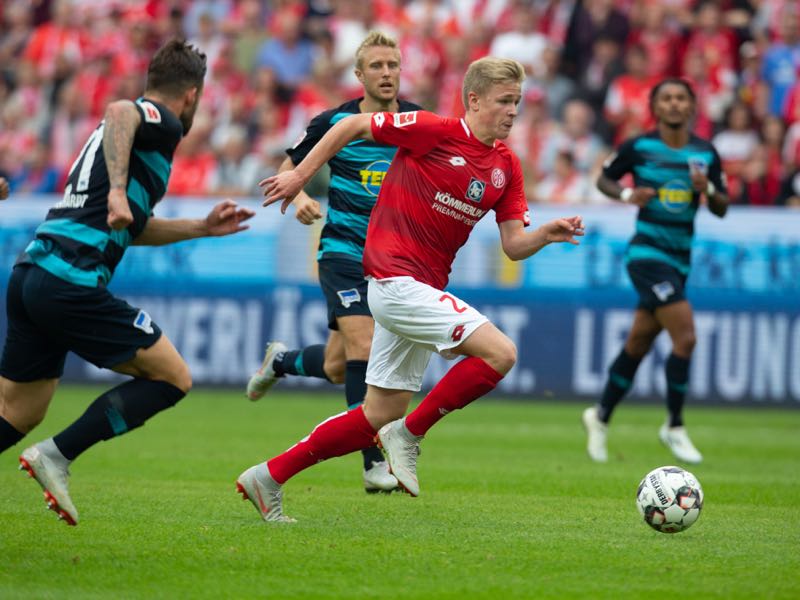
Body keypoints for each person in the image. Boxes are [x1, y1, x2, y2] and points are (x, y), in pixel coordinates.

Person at [238, 56, 584, 522]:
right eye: (505, 101)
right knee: (500, 353)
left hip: (419, 288)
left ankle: (268, 476)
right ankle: (411, 434)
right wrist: (301, 176)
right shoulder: (433, 130)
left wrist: (545, 235)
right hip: (393, 280)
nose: (513, 111)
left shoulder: (506, 166)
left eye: (518, 102)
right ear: (474, 99)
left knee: (375, 415)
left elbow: (513, 246)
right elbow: (352, 125)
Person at [0, 39, 255, 526]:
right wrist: (117, 191)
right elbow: (121, 109)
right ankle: (57, 455)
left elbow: (131, 228)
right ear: (192, 96)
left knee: (16, 412)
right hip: (69, 280)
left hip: (33, 273)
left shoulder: (130, 143)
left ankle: (51, 451)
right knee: (173, 377)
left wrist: (201, 227)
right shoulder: (161, 120)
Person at [245, 32, 422, 494]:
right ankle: (372, 464)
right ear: (360, 75)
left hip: (390, 261)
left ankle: (279, 361)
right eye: (378, 65)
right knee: (363, 348)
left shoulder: (417, 122)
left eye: (393, 65)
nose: (387, 73)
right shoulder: (334, 121)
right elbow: (288, 169)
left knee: (338, 366)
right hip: (342, 251)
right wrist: (301, 195)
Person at [581, 78, 729, 465]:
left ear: (692, 106)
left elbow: (722, 206)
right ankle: (674, 425)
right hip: (646, 255)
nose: (675, 104)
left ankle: (599, 416)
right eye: (667, 98)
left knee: (639, 343)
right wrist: (629, 195)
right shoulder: (639, 147)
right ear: (656, 108)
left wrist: (708, 190)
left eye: (681, 97)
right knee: (687, 336)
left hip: (680, 260)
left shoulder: (705, 153)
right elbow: (604, 177)